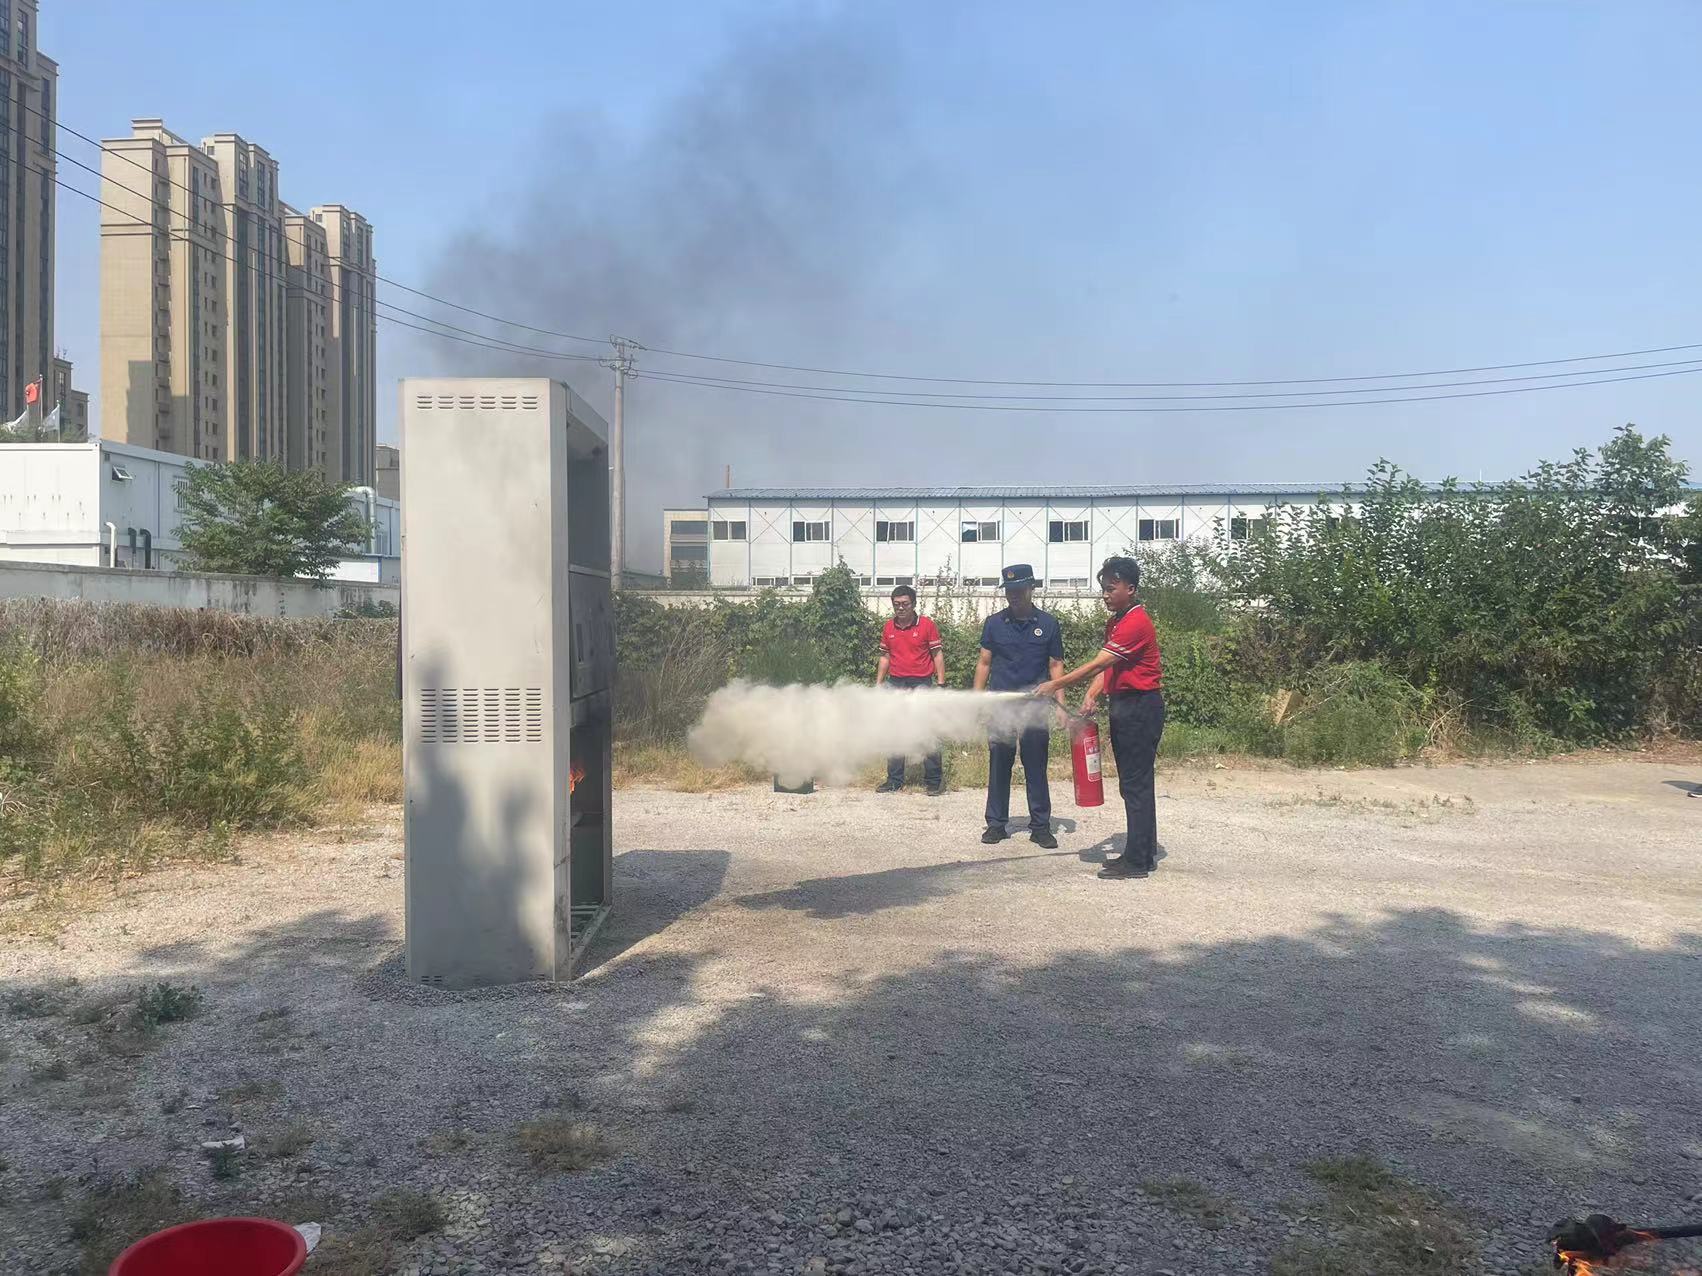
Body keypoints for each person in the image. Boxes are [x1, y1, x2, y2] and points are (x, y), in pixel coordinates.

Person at [1035, 556, 1165, 880]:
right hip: (1125, 705)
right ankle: (1143, 852)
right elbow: (1108, 669)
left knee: (1135, 784)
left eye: (1111, 588)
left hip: (1140, 707)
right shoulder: (1117, 622)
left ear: (1130, 589)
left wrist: (1056, 684)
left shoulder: (1136, 622)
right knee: (1134, 783)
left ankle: (1137, 861)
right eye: (1103, 589)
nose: (1105, 595)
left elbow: (1097, 664)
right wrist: (1092, 694)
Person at [975, 563, 1065, 849]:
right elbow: (984, 663)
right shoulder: (994, 623)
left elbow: (1055, 665)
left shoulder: (1048, 624)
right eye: (1009, 590)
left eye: (1019, 589)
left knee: (1036, 765)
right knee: (999, 764)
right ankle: (996, 824)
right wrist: (977, 700)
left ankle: (1040, 826)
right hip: (1001, 706)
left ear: (1031, 588)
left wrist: (1061, 705)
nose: (1013, 595)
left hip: (1034, 707)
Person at [874, 585, 946, 795]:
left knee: (927, 731)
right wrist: (879, 684)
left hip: (922, 683)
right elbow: (885, 657)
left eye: (905, 604)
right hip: (896, 683)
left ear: (913, 604)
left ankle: (934, 781)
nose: (901, 608)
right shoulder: (889, 627)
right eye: (896, 604)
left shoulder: (927, 625)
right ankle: (894, 780)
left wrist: (941, 684)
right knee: (895, 732)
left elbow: (937, 655)